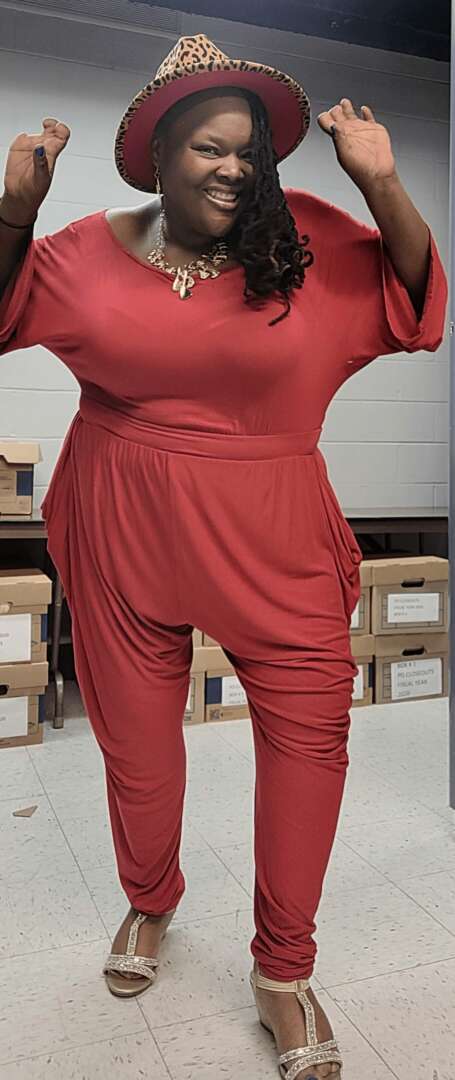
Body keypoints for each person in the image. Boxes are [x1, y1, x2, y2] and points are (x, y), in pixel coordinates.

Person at [0, 31, 447, 1080]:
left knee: (309, 747)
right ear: (156, 153)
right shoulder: (83, 251)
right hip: (118, 526)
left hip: (275, 539)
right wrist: (15, 209)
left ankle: (282, 971)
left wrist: (381, 184)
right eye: (208, 147)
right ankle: (150, 899)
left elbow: (416, 301)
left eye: (250, 151)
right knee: (138, 751)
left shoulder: (309, 240)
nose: (234, 168)